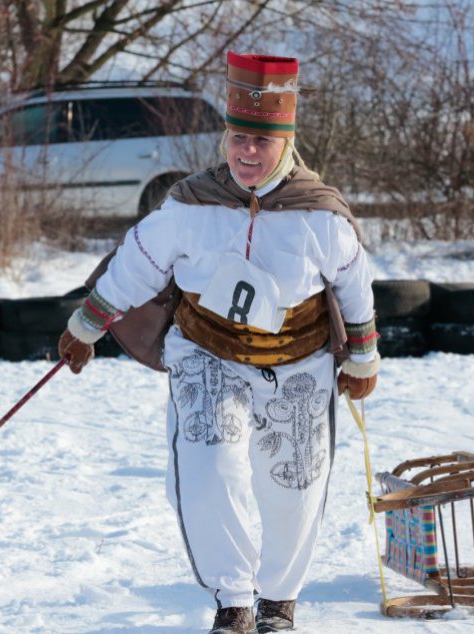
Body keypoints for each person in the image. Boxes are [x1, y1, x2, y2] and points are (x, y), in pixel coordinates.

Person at [57, 52, 379, 634]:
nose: (247, 153)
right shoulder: (189, 205)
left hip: (298, 362)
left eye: (261, 141)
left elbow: (355, 286)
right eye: (238, 139)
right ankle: (233, 602)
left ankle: (278, 601)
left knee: (295, 482)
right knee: (208, 471)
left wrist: (363, 356)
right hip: (208, 356)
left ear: (286, 142)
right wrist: (87, 326)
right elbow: (138, 264)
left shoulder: (320, 215)